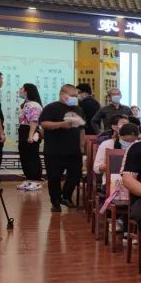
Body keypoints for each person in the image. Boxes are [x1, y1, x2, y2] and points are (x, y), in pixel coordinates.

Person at [38, 84, 86, 212]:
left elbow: (82, 129)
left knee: (75, 175)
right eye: (72, 95)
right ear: (62, 94)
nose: (75, 98)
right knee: (54, 177)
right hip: (54, 151)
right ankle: (55, 203)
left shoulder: (78, 109)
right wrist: (61, 124)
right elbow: (43, 124)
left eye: (76, 96)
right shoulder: (51, 107)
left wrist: (82, 146)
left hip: (74, 150)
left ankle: (66, 196)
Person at [16, 82, 44, 191]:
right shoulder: (26, 104)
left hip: (30, 131)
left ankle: (35, 181)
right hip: (24, 130)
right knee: (24, 156)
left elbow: (34, 121)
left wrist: (30, 135)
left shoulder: (34, 105)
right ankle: (28, 179)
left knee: (32, 156)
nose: (20, 90)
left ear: (27, 91)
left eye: (22, 88)